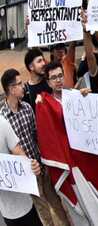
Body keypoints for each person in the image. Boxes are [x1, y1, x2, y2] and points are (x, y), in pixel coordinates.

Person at [0, 68, 70, 226]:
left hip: (41, 165)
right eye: (19, 84)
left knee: (56, 201)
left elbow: (36, 135)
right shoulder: (3, 119)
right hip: (26, 174)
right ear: (11, 89)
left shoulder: (27, 108)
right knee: (42, 209)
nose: (23, 86)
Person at [0, 113, 42, 226]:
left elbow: (18, 151)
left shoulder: (2, 123)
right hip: (5, 209)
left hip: (24, 203)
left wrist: (31, 167)